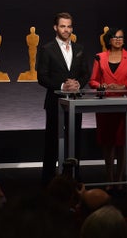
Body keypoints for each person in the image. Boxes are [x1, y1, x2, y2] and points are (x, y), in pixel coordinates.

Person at [36, 12, 90, 186]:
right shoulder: (46, 49)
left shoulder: (80, 48)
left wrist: (77, 85)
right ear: (55, 28)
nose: (66, 30)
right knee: (52, 142)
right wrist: (62, 86)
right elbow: (42, 77)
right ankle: (49, 181)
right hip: (54, 102)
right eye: (62, 26)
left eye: (69, 26)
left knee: (75, 141)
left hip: (75, 102)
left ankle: (74, 177)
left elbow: (85, 74)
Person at [88, 27, 127, 187]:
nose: (119, 39)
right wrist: (102, 85)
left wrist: (123, 87)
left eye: (121, 37)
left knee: (122, 142)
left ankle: (120, 179)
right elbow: (93, 81)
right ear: (109, 40)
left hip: (125, 105)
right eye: (115, 37)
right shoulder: (100, 57)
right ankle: (109, 178)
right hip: (105, 105)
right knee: (108, 142)